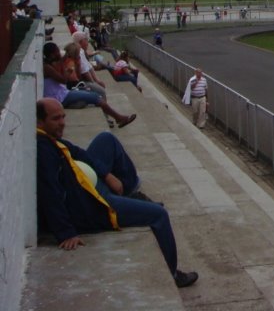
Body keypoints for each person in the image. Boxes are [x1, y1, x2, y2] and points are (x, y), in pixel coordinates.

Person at [35, 98, 199, 288]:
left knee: (106, 139)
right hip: (93, 205)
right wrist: (65, 233)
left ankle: (129, 191)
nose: (63, 122)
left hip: (86, 185)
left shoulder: (50, 139)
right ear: (40, 121)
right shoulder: (43, 150)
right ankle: (173, 274)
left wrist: (106, 174)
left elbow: (79, 152)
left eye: (63, 117)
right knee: (158, 215)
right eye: (56, 119)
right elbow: (50, 193)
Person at [42, 42, 136, 128]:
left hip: (62, 93)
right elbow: (63, 80)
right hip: (60, 97)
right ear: (52, 54)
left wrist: (63, 63)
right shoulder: (47, 68)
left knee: (93, 96)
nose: (59, 53)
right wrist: (68, 70)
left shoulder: (52, 64)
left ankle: (118, 118)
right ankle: (119, 118)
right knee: (96, 97)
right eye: (57, 51)